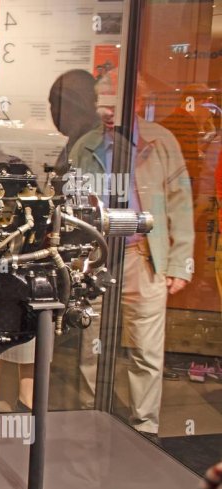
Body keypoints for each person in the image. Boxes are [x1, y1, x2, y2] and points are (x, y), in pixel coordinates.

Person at [74, 80, 195, 441]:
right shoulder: (86, 145)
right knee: (92, 345)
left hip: (142, 257)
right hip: (97, 258)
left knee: (145, 349)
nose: (108, 111)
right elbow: (71, 203)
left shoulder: (160, 142)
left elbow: (181, 203)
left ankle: (145, 426)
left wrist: (179, 263)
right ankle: (90, 414)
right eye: (103, 103)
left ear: (137, 100)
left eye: (116, 103)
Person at [0, 70, 100, 412]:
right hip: (35, 252)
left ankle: (21, 401)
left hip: (58, 251)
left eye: (58, 104)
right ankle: (7, 400)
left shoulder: (84, 146)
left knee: (31, 326)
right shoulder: (69, 147)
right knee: (7, 325)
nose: (54, 113)